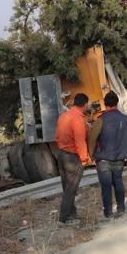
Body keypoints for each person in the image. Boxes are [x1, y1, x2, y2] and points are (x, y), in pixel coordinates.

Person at [88, 91, 127, 219]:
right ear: (117, 103)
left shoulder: (100, 120)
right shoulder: (126, 119)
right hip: (120, 158)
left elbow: (92, 139)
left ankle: (108, 212)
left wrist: (91, 155)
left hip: (103, 159)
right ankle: (121, 208)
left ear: (105, 103)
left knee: (106, 186)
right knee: (118, 182)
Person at [55, 92, 90, 226]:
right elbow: (80, 141)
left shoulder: (64, 116)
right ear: (85, 105)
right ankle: (63, 218)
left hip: (62, 154)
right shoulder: (78, 119)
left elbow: (57, 136)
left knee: (67, 187)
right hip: (72, 157)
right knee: (71, 188)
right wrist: (84, 159)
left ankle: (72, 213)